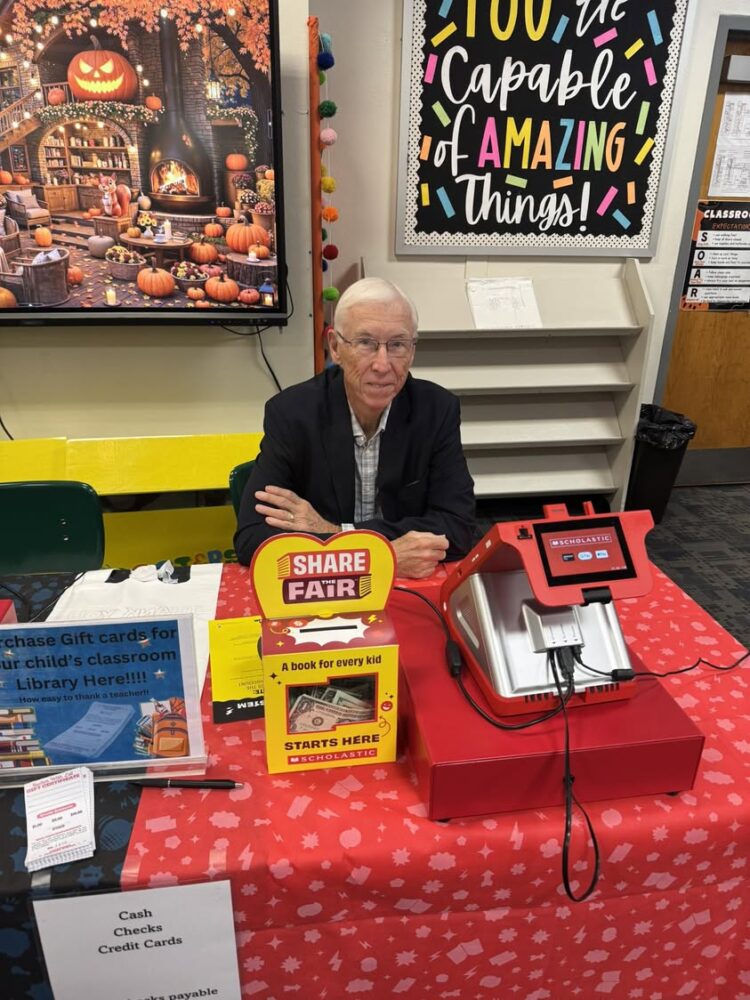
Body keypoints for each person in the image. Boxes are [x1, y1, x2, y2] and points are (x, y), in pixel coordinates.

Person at [234, 276, 477, 577]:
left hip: (406, 587)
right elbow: (253, 540)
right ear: (335, 347)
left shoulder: (437, 410)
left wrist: (336, 533)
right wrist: (380, 555)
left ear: (412, 350)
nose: (382, 365)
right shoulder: (292, 413)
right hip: (326, 589)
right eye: (365, 343)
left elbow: (459, 526)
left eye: (397, 345)